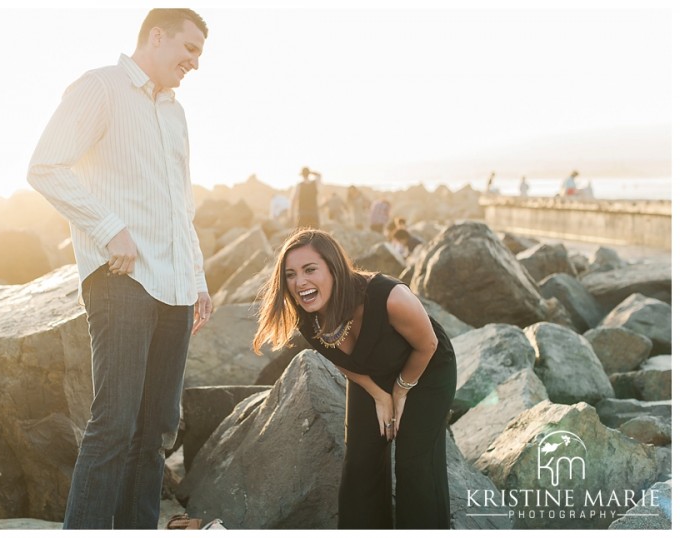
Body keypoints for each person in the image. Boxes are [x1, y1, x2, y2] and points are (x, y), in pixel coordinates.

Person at [27, 9, 211, 529]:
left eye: (200, 55)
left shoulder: (176, 113)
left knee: (155, 431)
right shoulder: (99, 87)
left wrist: (196, 280)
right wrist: (110, 228)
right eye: (190, 49)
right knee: (114, 424)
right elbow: (44, 166)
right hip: (121, 278)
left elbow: (181, 205)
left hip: (174, 286)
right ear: (156, 36)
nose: (195, 63)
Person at [252, 229, 457, 529]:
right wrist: (377, 394)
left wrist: (399, 391)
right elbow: (343, 361)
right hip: (371, 374)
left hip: (424, 369)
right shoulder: (307, 315)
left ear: (334, 269)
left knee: (414, 464)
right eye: (291, 275)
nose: (300, 283)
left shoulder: (389, 296)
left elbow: (427, 345)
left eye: (310, 270)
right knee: (361, 462)